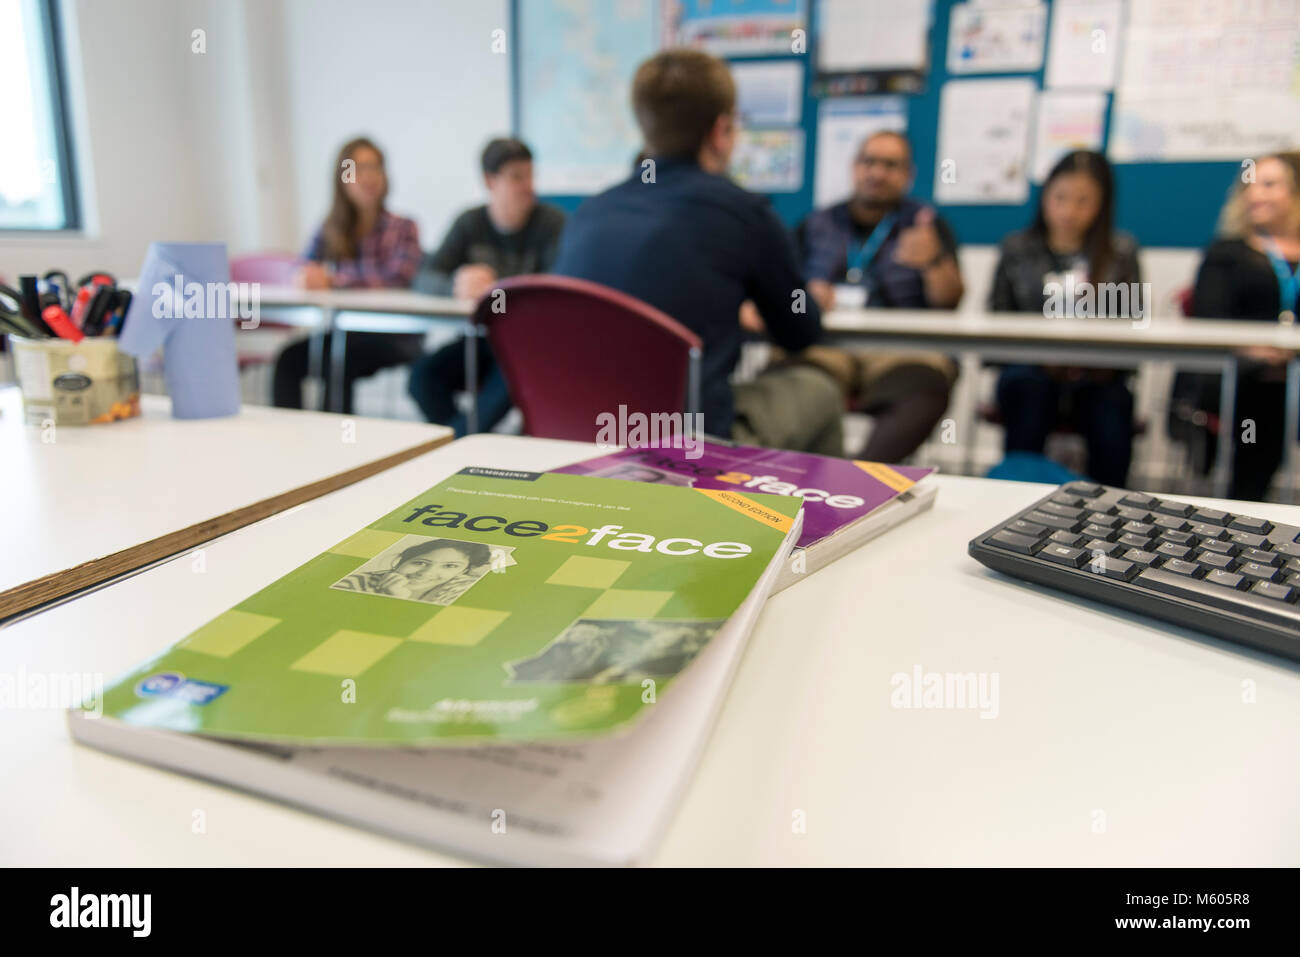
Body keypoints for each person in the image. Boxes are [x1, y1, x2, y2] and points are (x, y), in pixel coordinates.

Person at [550, 49, 843, 456]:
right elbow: (800, 333)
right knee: (820, 391)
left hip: (581, 438)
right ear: (720, 131)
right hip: (690, 443)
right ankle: (801, 516)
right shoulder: (745, 213)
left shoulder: (588, 213)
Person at [798, 130, 961, 461]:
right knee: (791, 384)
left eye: (890, 164)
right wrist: (804, 295)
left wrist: (933, 261)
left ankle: (862, 478)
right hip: (826, 344)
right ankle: (796, 478)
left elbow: (950, 301)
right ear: (854, 167)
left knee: (926, 386)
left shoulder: (925, 224)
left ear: (908, 174)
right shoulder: (817, 223)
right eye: (868, 161)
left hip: (901, 348)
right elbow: (780, 293)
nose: (877, 172)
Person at [989, 150, 1142, 488]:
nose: (1069, 211)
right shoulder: (1016, 249)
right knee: (1030, 391)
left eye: (1083, 201)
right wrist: (1040, 356)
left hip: (1098, 375)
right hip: (1029, 369)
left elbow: (1132, 332)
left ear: (1102, 204)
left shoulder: (1121, 252)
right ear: (1044, 196)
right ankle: (1014, 493)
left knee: (1112, 407)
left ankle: (1109, 507)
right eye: (1059, 197)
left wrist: (1091, 361)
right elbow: (995, 331)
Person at [407, 138, 566, 434]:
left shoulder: (552, 224)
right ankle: (463, 443)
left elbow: (557, 286)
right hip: (480, 341)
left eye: (530, 175)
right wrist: (456, 284)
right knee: (422, 377)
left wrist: (502, 289)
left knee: (506, 381)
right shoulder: (470, 223)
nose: (528, 185)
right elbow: (424, 276)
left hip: (528, 345)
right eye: (517, 177)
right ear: (489, 181)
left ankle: (458, 445)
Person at [1178, 152, 1300, 501]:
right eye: (1249, 185)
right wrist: (1262, 355)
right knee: (1264, 407)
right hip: (1240, 375)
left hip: (1294, 372)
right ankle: (1246, 504)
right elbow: (1209, 319)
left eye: (1270, 184)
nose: (1255, 194)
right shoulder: (1226, 253)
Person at [272, 137, 422, 413]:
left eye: (375, 167)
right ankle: (289, 442)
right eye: (359, 168)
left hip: (393, 336)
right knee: (287, 360)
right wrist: (304, 277)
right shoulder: (331, 228)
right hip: (346, 332)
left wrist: (333, 280)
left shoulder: (404, 227)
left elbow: (396, 279)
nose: (369, 176)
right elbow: (301, 267)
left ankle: (337, 445)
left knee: (337, 360)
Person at [334, 538, 492, 604]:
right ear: (402, 561)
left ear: (464, 571)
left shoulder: (462, 588)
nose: (426, 573)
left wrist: (399, 599)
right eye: (420, 562)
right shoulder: (354, 582)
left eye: (449, 566)